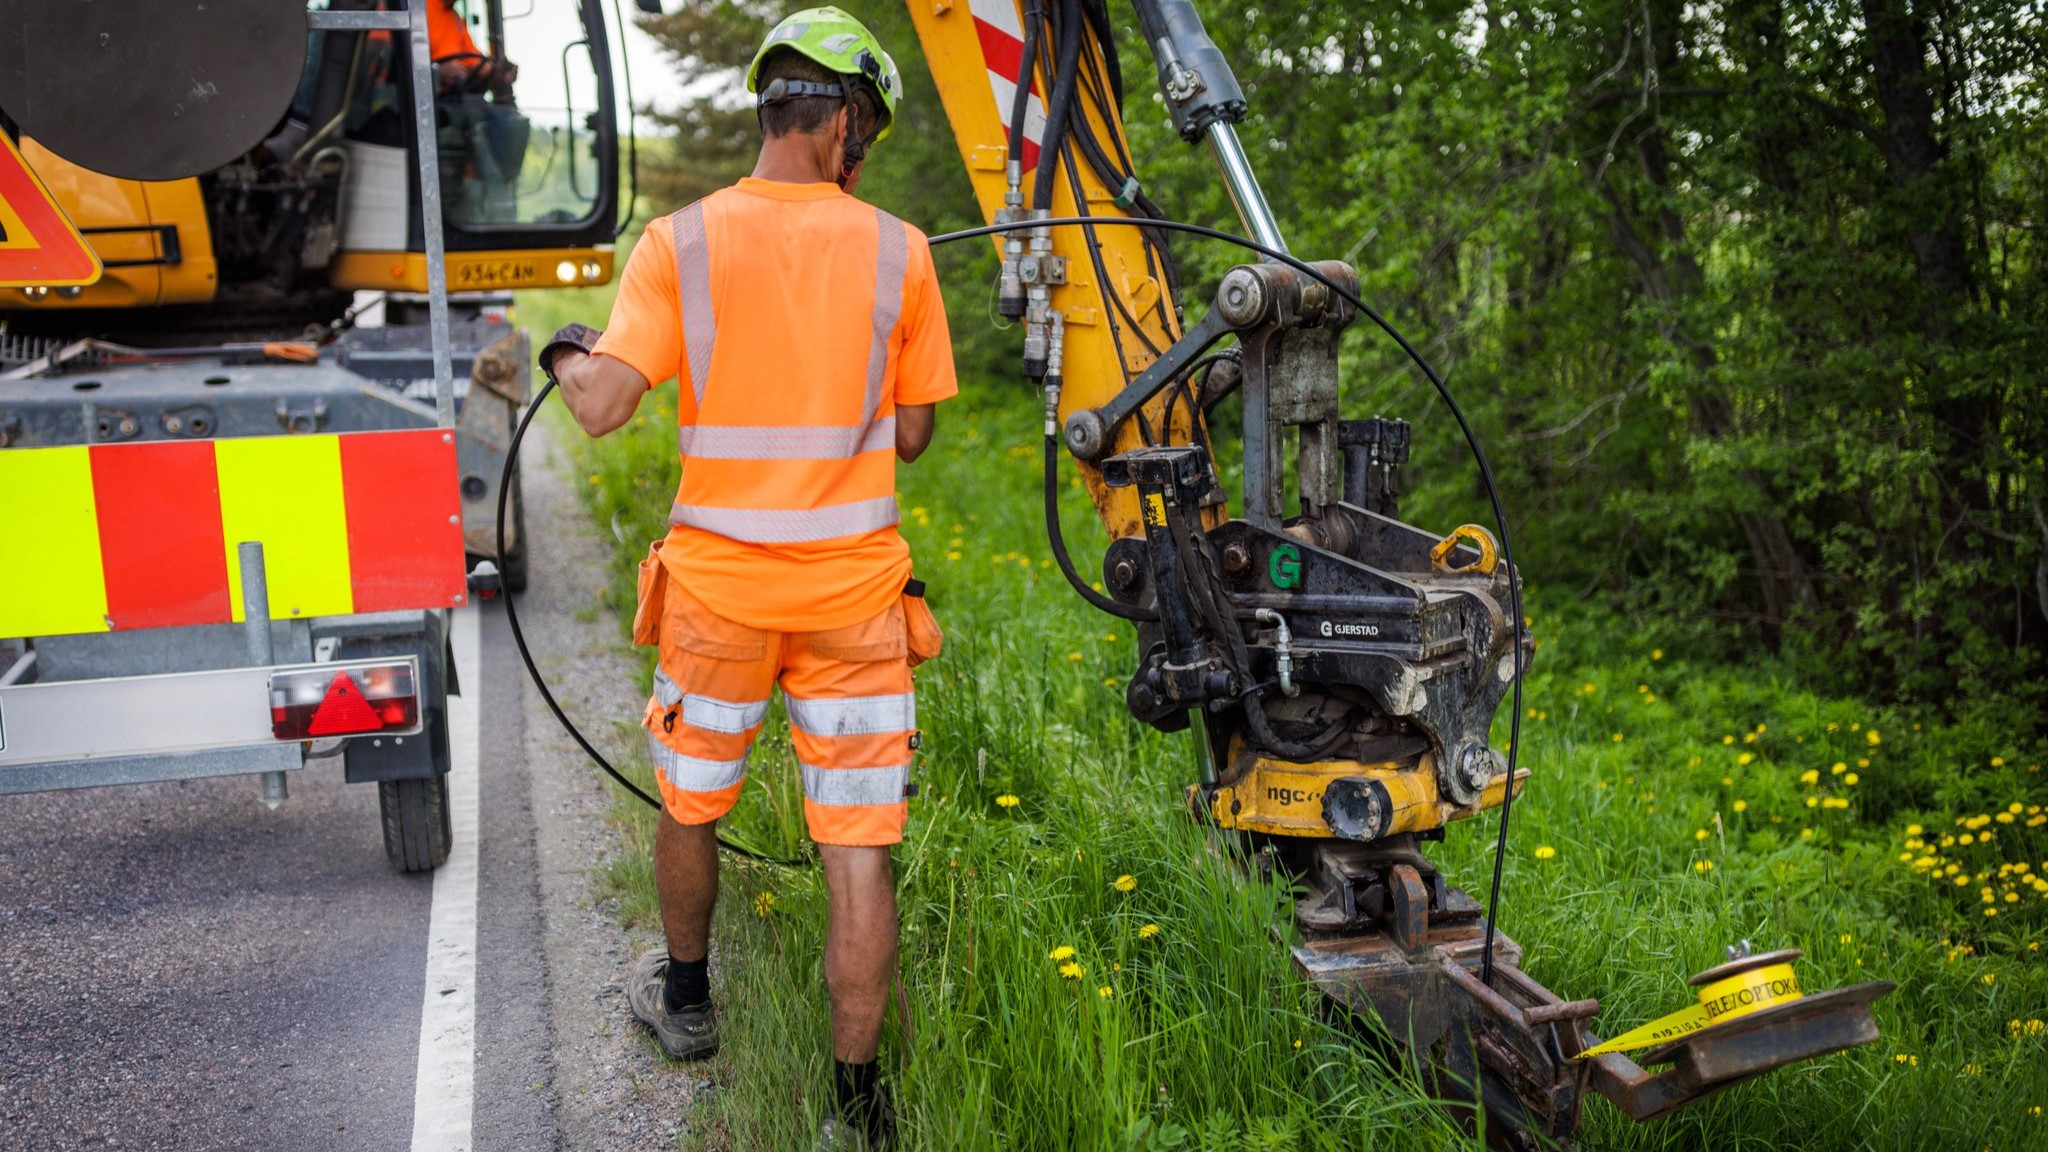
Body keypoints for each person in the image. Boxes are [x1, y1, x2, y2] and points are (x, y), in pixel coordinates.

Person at [538, 8, 955, 1148]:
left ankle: (684, 1004)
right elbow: (912, 434)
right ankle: (855, 1109)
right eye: (863, 127)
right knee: (857, 849)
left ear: (773, 108)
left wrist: (563, 349)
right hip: (856, 605)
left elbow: (604, 405)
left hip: (719, 599)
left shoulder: (678, 242)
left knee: (691, 799)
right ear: (845, 121)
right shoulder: (900, 251)